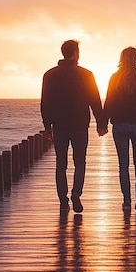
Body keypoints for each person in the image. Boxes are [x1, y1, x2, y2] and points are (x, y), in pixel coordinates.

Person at [41, 40, 107, 214]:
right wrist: (101, 123)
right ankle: (76, 193)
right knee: (80, 162)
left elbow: (45, 102)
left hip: (59, 125)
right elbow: (94, 99)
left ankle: (63, 200)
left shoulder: (50, 75)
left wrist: (47, 126)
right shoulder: (86, 74)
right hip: (79, 125)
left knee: (60, 164)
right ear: (75, 52)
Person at [103, 47, 136, 211]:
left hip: (120, 125)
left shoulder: (115, 78)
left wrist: (103, 122)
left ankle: (126, 200)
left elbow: (109, 102)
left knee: (123, 164)